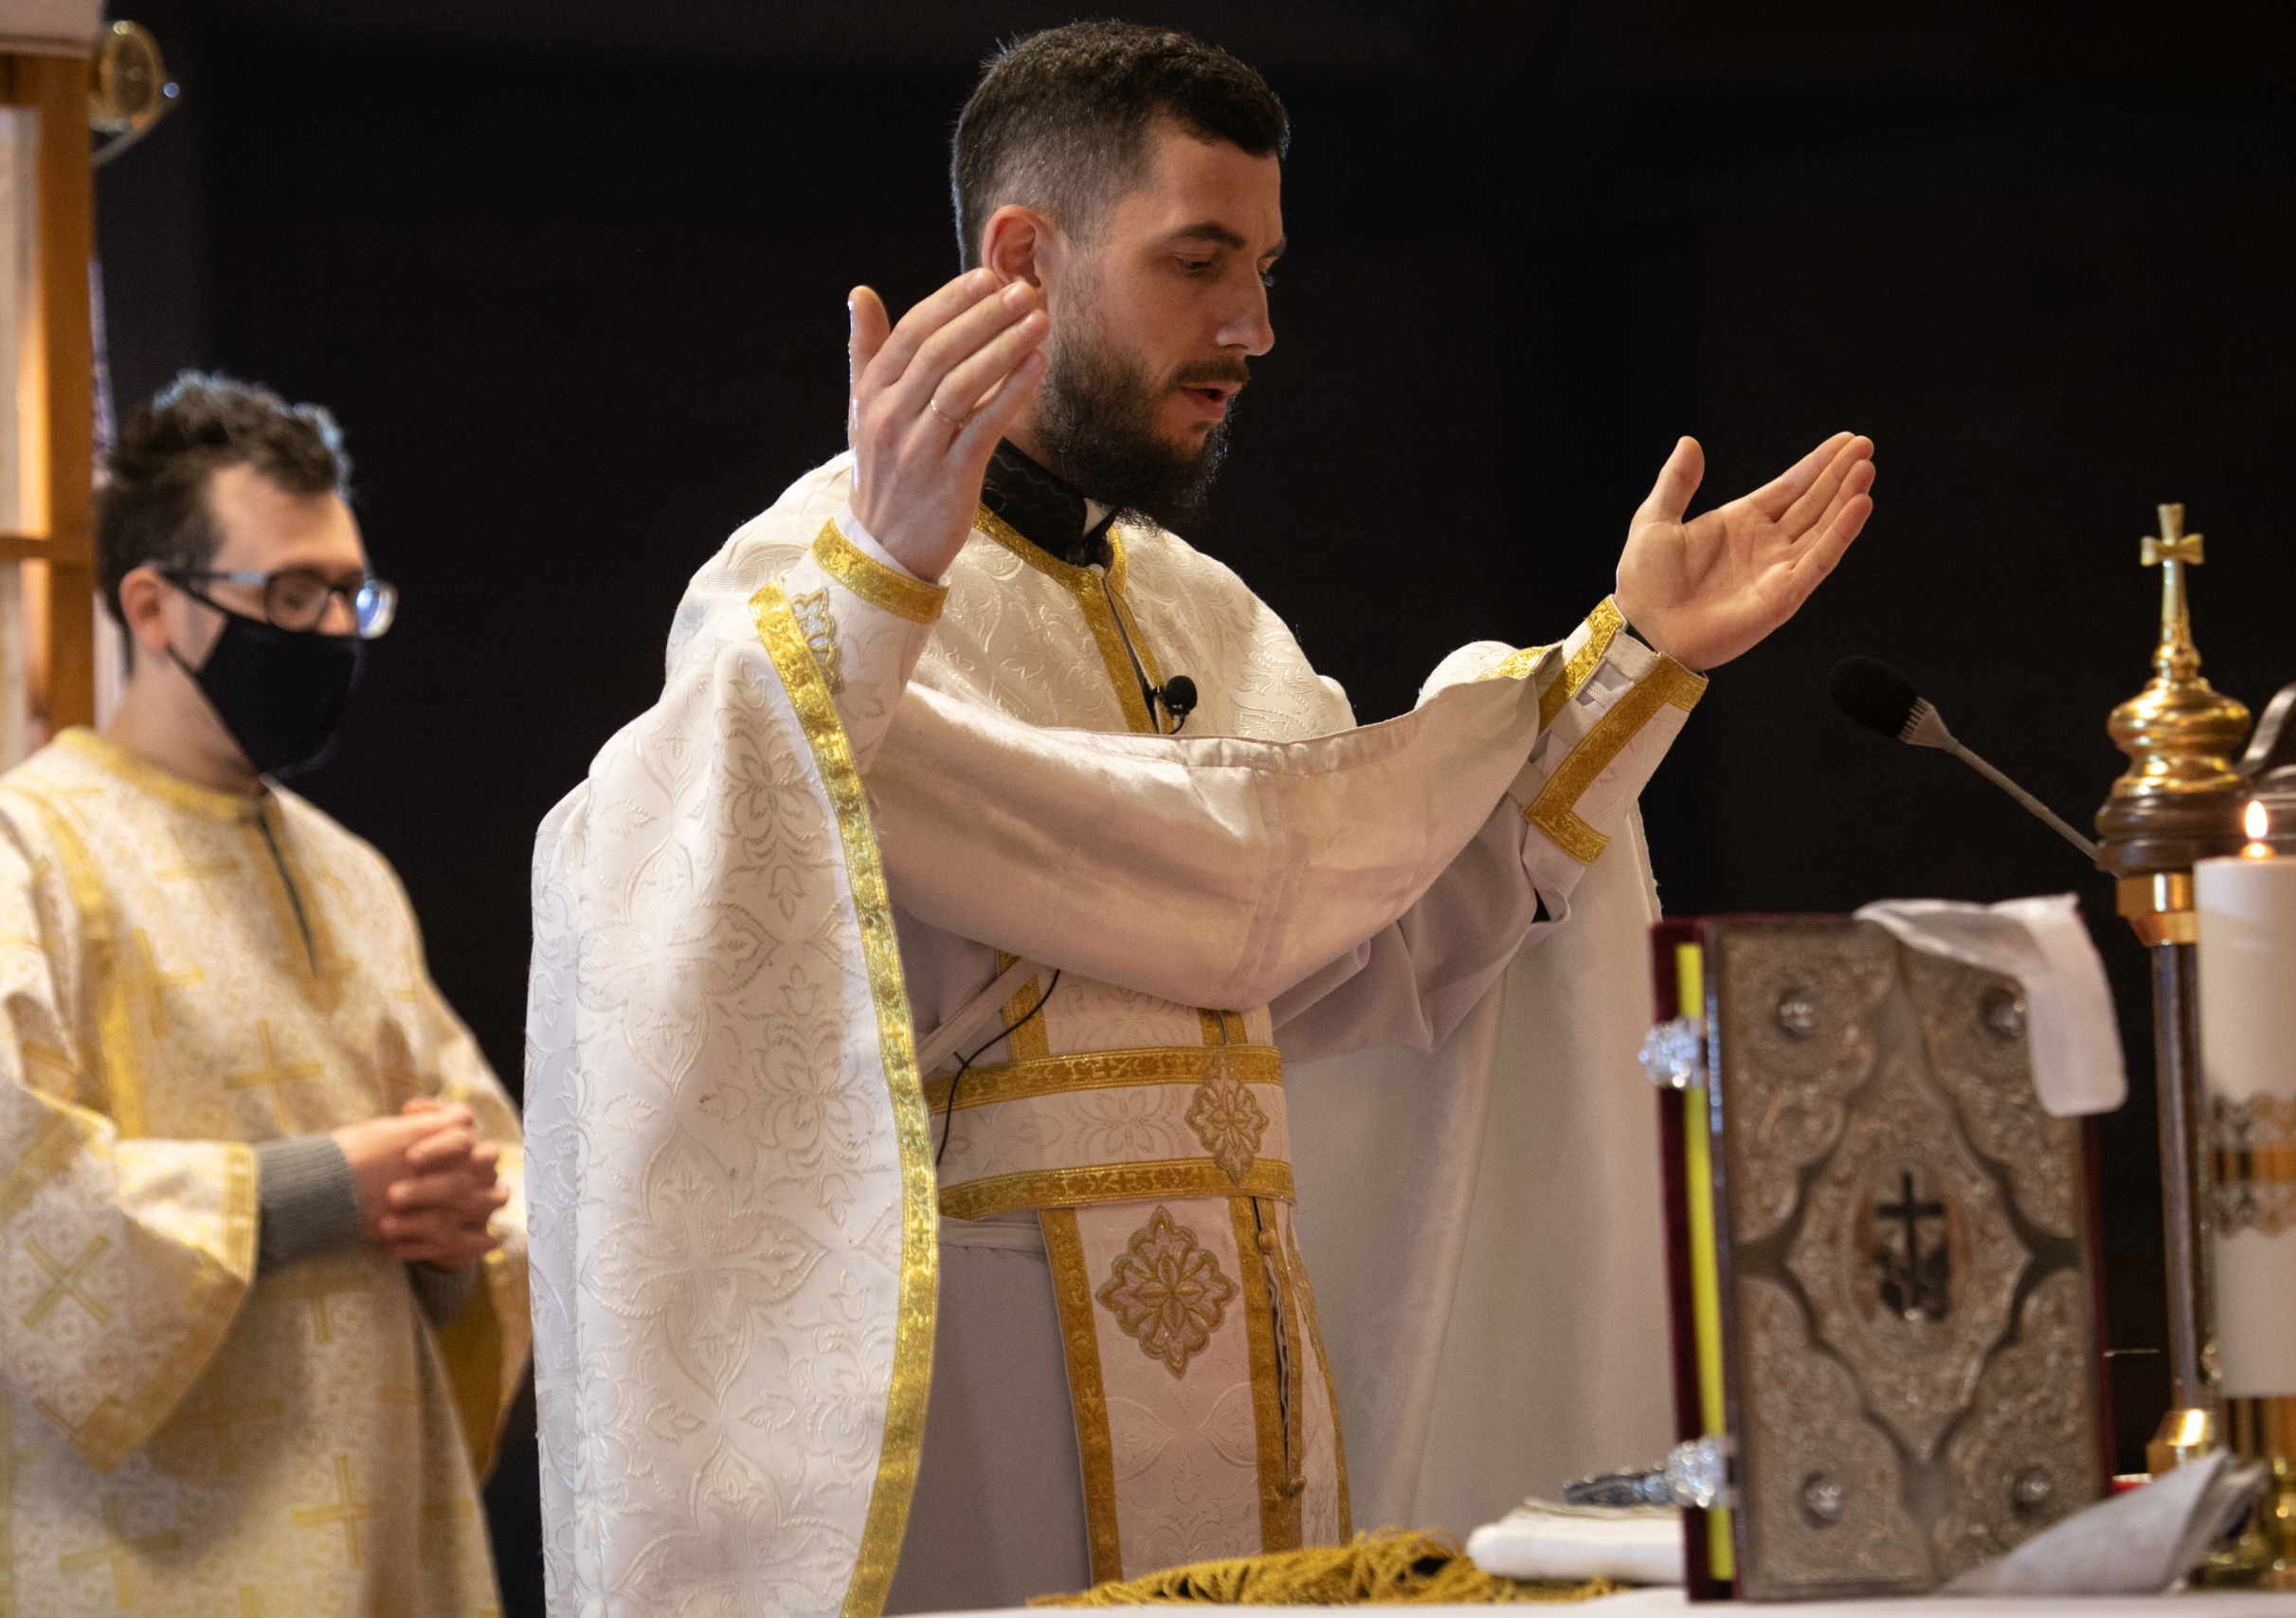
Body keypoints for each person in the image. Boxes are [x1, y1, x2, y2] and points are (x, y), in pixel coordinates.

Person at [528, 21, 1871, 1617]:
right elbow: (670, 880)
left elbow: (1360, 943)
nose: (1254, 326)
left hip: (1255, 1357)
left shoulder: (1206, 615)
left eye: (1267, 270)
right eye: (1198, 262)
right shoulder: (806, 587)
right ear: (1023, 258)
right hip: (986, 1380)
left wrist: (1638, 662)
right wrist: (879, 585)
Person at [0, 373, 529, 1615]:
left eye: (350, 594)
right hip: (155, 1555)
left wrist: (456, 1238)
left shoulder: (352, 875)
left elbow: (483, 1174)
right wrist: (328, 1187)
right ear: (155, 607)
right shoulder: (30, 850)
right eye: (291, 594)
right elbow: (23, 1198)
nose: (332, 630)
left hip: (386, 1520)